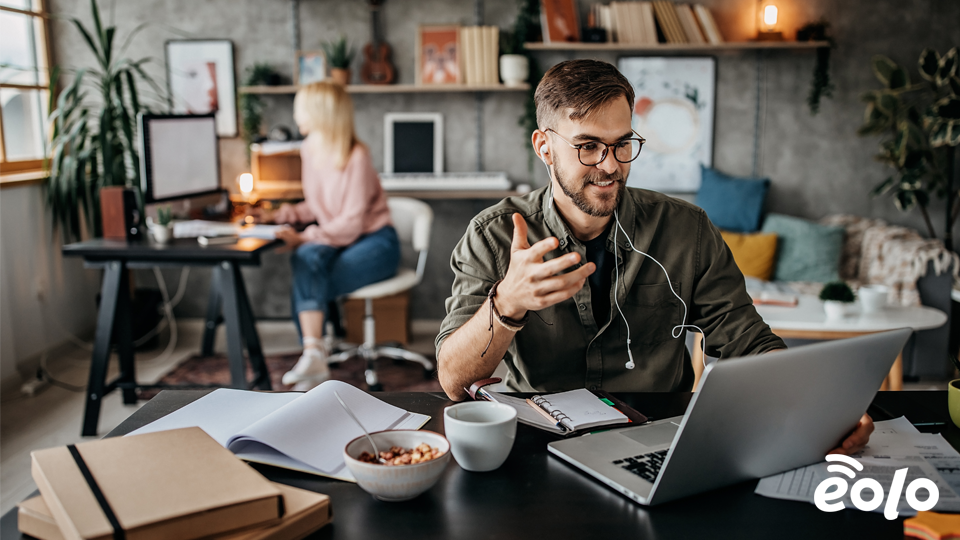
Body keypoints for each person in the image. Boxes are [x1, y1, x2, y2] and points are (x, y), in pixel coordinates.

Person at [435, 59, 872, 455]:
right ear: (544, 147)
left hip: (658, 442)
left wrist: (819, 406)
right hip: (534, 446)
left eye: (622, 143)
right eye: (588, 146)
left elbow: (747, 343)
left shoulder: (686, 229)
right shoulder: (493, 234)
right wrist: (507, 304)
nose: (610, 166)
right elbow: (453, 382)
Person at [257, 81, 399, 391]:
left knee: (308, 270)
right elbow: (319, 207)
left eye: (301, 109)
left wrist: (305, 236)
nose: (296, 117)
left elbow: (350, 223)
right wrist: (279, 215)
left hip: (377, 242)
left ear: (321, 113)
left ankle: (314, 355)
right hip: (340, 237)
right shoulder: (309, 150)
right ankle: (314, 352)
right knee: (307, 259)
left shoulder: (356, 155)